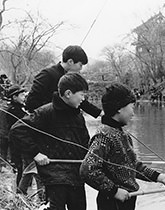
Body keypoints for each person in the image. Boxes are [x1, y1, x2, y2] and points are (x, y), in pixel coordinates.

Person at [80, 82, 165, 210]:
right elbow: (88, 169)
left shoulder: (122, 134)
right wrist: (114, 191)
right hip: (111, 203)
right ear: (119, 108)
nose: (133, 113)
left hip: (127, 200)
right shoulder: (104, 135)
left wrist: (160, 177)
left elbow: (132, 165)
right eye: (132, 107)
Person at [10, 73, 90, 210]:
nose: (83, 99)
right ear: (69, 93)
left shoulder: (78, 116)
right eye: (82, 94)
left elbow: (85, 143)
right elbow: (17, 130)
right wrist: (36, 153)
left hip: (76, 177)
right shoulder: (45, 112)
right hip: (54, 177)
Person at [25, 45, 104, 118]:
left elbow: (79, 100)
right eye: (80, 65)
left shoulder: (72, 78)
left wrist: (100, 113)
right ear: (70, 62)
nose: (81, 69)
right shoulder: (47, 74)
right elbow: (31, 102)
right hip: (49, 122)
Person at [0, 85, 27, 174]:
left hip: (19, 141)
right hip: (16, 142)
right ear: (14, 97)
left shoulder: (21, 108)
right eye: (22, 95)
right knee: (21, 168)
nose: (24, 97)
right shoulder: (12, 111)